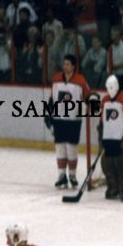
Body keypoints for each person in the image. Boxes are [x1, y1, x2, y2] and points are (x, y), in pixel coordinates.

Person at [46, 54, 90, 189]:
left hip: (73, 120)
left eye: (67, 64)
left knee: (71, 149)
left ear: (73, 66)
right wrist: (48, 119)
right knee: (60, 149)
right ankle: (61, 176)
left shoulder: (81, 81)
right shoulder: (56, 79)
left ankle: (72, 175)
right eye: (64, 64)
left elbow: (88, 97)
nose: (65, 67)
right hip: (58, 119)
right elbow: (52, 100)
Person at [99, 75, 123, 202]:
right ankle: (113, 187)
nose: (109, 89)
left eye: (112, 86)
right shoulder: (104, 100)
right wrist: (101, 138)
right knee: (107, 163)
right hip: (108, 138)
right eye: (107, 87)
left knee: (122, 164)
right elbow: (102, 122)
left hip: (121, 139)